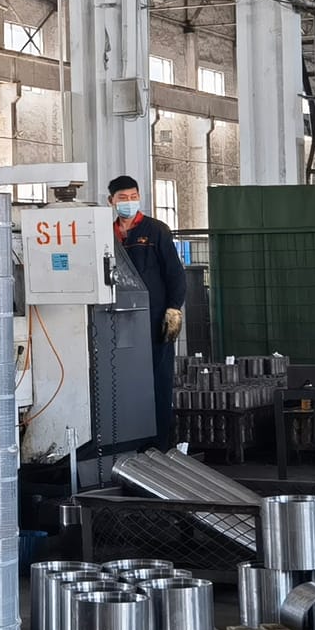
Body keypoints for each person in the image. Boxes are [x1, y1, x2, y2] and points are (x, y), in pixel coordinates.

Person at [108, 174, 187, 450]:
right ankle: (127, 443)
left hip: (155, 320)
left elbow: (175, 274)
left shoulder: (156, 231)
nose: (129, 202)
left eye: (133, 197)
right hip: (117, 319)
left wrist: (173, 309)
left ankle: (158, 446)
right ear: (111, 201)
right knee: (123, 381)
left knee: (157, 381)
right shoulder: (105, 232)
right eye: (123, 198)